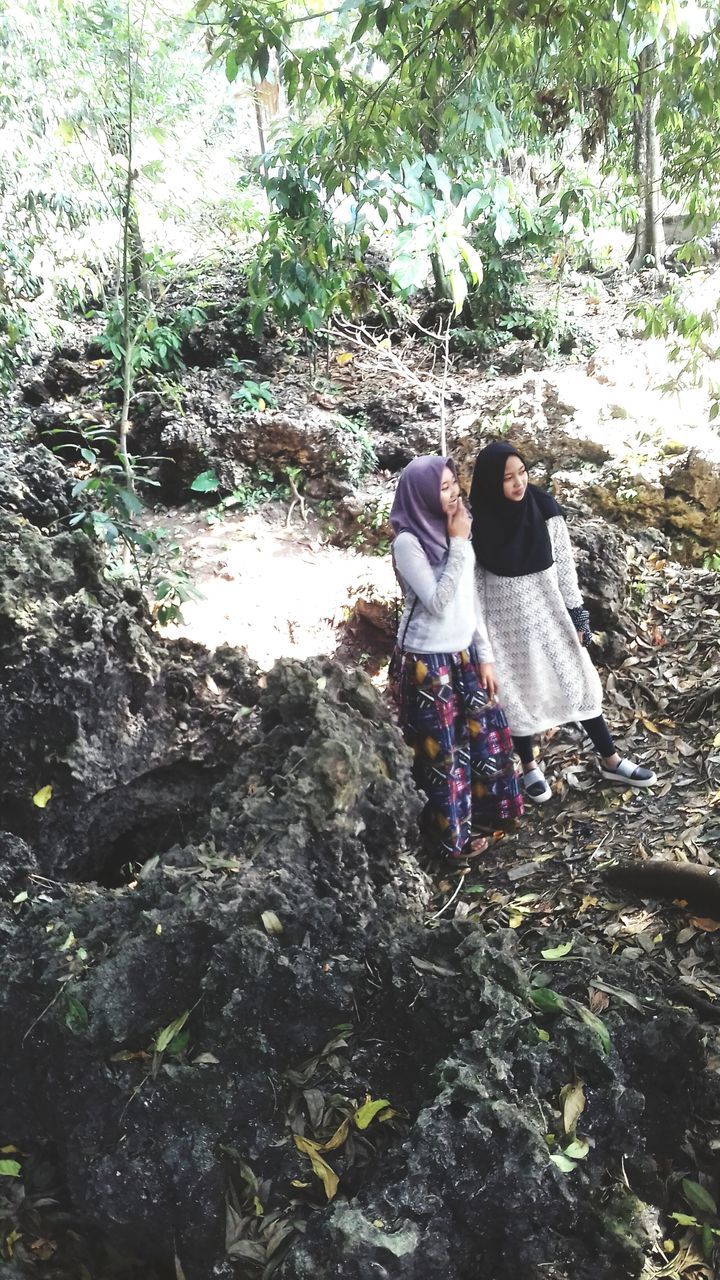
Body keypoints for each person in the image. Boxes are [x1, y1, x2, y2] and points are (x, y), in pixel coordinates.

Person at [470, 440, 657, 803]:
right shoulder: (478, 524)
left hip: (549, 612)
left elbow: (565, 569)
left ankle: (610, 758)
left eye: (521, 472)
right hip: (505, 627)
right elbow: (475, 590)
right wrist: (485, 649)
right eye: (507, 478)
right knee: (518, 695)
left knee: (579, 683)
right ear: (492, 482)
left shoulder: (543, 508)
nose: (518, 483)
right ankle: (529, 767)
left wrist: (578, 616)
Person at [389, 455, 524, 865]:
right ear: (422, 496)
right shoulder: (408, 542)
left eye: (453, 484)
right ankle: (451, 845)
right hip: (427, 663)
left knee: (487, 736)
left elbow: (469, 600)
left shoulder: (455, 528)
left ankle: (487, 818)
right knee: (444, 756)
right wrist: (459, 542)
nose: (452, 494)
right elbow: (437, 601)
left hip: (463, 654)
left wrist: (484, 655)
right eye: (443, 488)